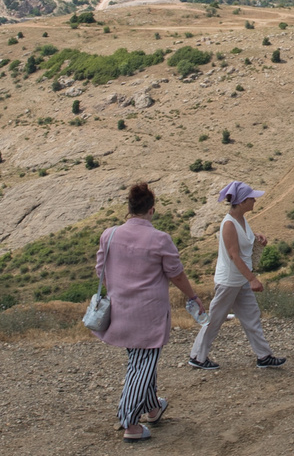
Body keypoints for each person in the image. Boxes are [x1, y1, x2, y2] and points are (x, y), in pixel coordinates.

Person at [94, 182, 204, 442]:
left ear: (129, 208)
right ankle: (130, 422)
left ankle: (153, 408)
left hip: (120, 310)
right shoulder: (159, 238)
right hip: (149, 313)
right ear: (151, 210)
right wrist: (193, 297)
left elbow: (101, 270)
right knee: (142, 365)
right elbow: (175, 274)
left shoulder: (109, 235)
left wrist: (119, 291)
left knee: (140, 361)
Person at [188, 180, 286, 371]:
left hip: (239, 280)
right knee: (215, 319)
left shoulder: (240, 220)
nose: (254, 201)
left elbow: (241, 243)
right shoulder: (229, 224)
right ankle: (197, 357)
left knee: (251, 316)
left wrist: (256, 238)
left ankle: (264, 356)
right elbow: (234, 255)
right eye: (251, 199)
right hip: (229, 282)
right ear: (242, 202)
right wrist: (252, 279)